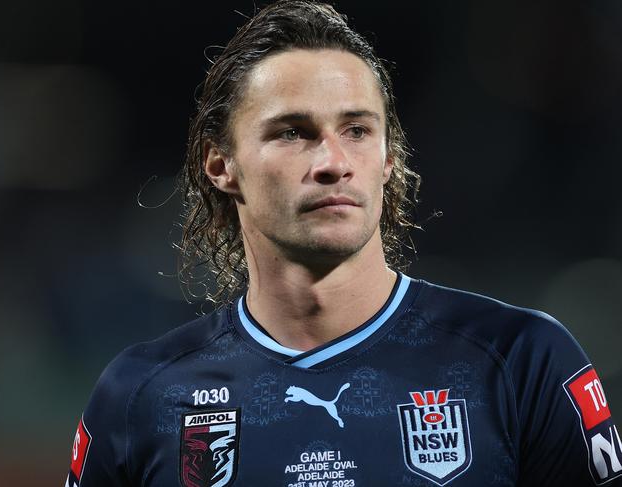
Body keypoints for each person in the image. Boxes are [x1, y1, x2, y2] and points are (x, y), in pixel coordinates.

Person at [64, 1, 621, 486]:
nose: (333, 163)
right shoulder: (142, 396)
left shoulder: (521, 361)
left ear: (388, 159)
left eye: (356, 130)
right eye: (292, 132)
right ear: (221, 164)